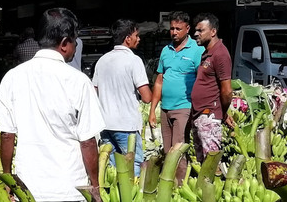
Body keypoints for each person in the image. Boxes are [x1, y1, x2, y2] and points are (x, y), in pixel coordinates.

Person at [0, 7, 104, 202]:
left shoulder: (12, 78)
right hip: (69, 189)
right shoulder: (78, 82)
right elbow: (87, 142)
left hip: (29, 186)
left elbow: (7, 135)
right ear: (65, 43)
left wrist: (9, 177)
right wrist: (94, 185)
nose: (75, 47)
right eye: (74, 41)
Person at [149, 11, 203, 180]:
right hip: (165, 108)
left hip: (184, 107)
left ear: (187, 29)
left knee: (177, 150)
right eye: (172, 28)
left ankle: (180, 187)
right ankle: (169, 184)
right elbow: (159, 81)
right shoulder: (166, 50)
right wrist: (152, 110)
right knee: (167, 151)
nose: (174, 32)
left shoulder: (197, 50)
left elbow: (202, 81)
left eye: (178, 29)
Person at [93, 18, 151, 175]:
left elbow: (94, 92)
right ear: (128, 38)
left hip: (105, 125)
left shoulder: (102, 60)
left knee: (112, 172)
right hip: (127, 126)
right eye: (136, 36)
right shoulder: (133, 60)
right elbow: (146, 97)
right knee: (133, 170)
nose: (138, 39)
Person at [189, 13, 234, 162]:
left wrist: (222, 112)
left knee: (211, 163)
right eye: (196, 30)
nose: (195, 34)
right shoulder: (207, 53)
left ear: (213, 31)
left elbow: (227, 90)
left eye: (200, 30)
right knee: (202, 160)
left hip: (209, 113)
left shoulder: (220, 54)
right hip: (200, 113)